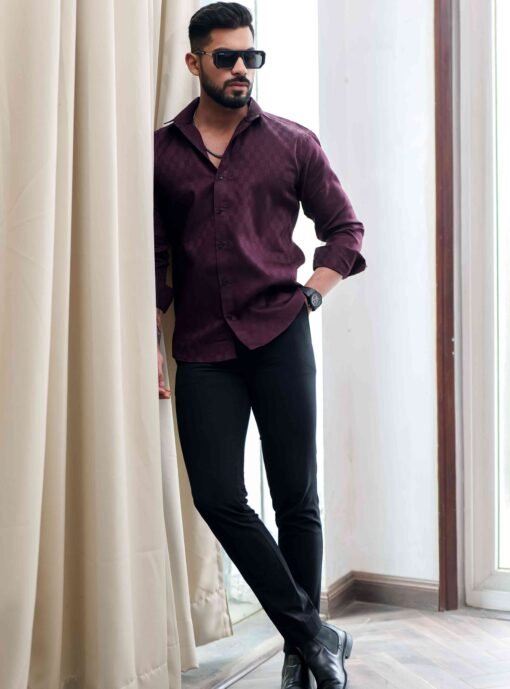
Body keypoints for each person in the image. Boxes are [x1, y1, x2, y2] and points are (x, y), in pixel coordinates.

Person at [154, 3, 366, 688]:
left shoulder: (292, 143)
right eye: (227, 58)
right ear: (195, 63)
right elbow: (155, 260)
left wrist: (312, 295)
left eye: (251, 56)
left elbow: (345, 230)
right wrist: (150, 342)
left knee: (296, 497)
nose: (242, 68)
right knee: (217, 495)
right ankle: (314, 631)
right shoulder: (161, 153)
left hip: (280, 335)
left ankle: (301, 656)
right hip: (203, 347)